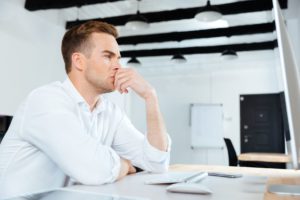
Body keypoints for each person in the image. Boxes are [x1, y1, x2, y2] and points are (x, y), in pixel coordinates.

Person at [0, 21, 171, 199]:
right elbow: (92, 169)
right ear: (79, 61)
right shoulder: (45, 100)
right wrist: (125, 165)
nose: (118, 66)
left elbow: (156, 163)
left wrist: (150, 97)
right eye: (108, 56)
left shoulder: (110, 112)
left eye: (118, 58)